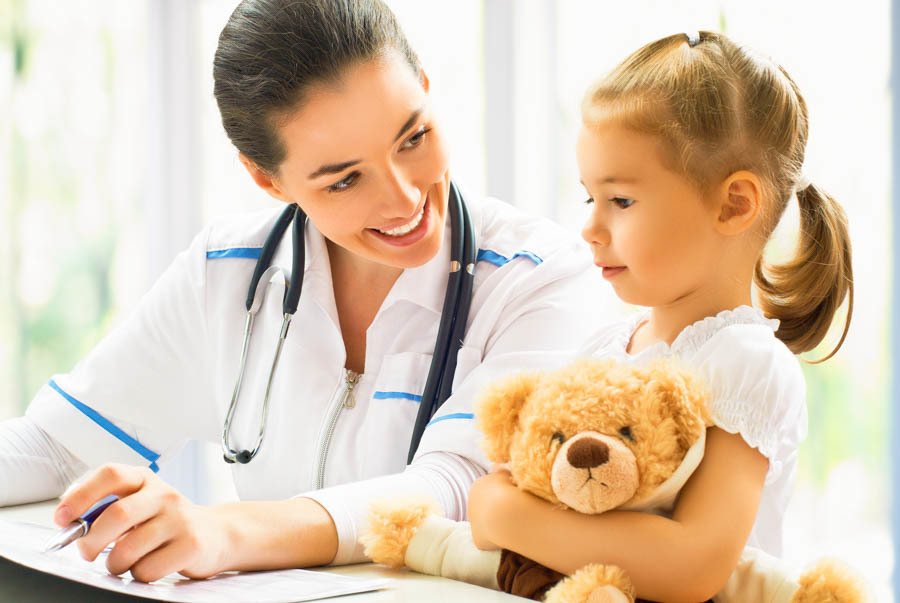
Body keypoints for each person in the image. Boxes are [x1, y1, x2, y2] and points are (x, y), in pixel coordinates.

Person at [0, 0, 607, 582]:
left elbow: (455, 488)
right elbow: (57, 447)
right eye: (345, 180)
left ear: (424, 85)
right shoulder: (226, 274)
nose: (403, 199)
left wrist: (224, 532)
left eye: (413, 138)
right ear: (266, 178)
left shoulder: (540, 278)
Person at [467, 30, 853, 602]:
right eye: (588, 198)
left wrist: (503, 515)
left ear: (733, 204)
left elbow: (692, 566)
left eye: (620, 201)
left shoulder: (746, 364)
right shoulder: (605, 346)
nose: (591, 228)